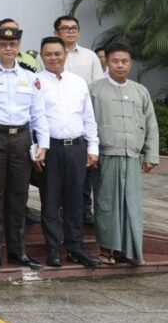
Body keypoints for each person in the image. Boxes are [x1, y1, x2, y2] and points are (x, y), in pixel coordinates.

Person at [0, 25, 49, 271]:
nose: (8, 49)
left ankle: (18, 251)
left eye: (13, 44)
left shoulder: (30, 74)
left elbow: (38, 113)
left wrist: (42, 144)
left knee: (19, 196)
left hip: (21, 139)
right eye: (3, 44)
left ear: (19, 46)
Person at [90, 42, 159, 266]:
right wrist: (91, 151)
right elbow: (86, 122)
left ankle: (129, 250)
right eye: (115, 61)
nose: (120, 65)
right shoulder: (94, 90)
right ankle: (107, 249)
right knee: (107, 203)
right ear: (106, 62)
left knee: (132, 203)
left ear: (131, 63)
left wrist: (151, 155)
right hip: (106, 155)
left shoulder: (140, 91)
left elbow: (151, 124)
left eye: (124, 61)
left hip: (132, 156)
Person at [36, 36, 101, 268]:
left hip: (76, 148)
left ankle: (75, 247)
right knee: (50, 201)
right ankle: (53, 249)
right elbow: (33, 119)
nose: (53, 58)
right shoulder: (35, 82)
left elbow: (88, 117)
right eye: (48, 54)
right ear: (41, 56)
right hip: (50, 149)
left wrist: (92, 147)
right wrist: (37, 149)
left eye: (57, 53)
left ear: (65, 55)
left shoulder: (78, 82)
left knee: (76, 201)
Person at [53, 15, 104, 226]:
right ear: (56, 32)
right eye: (66, 28)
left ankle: (85, 210)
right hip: (57, 123)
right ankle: (60, 209)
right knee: (58, 176)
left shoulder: (90, 56)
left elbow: (99, 89)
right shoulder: (48, 55)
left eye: (74, 28)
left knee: (83, 172)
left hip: (82, 121)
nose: (71, 31)